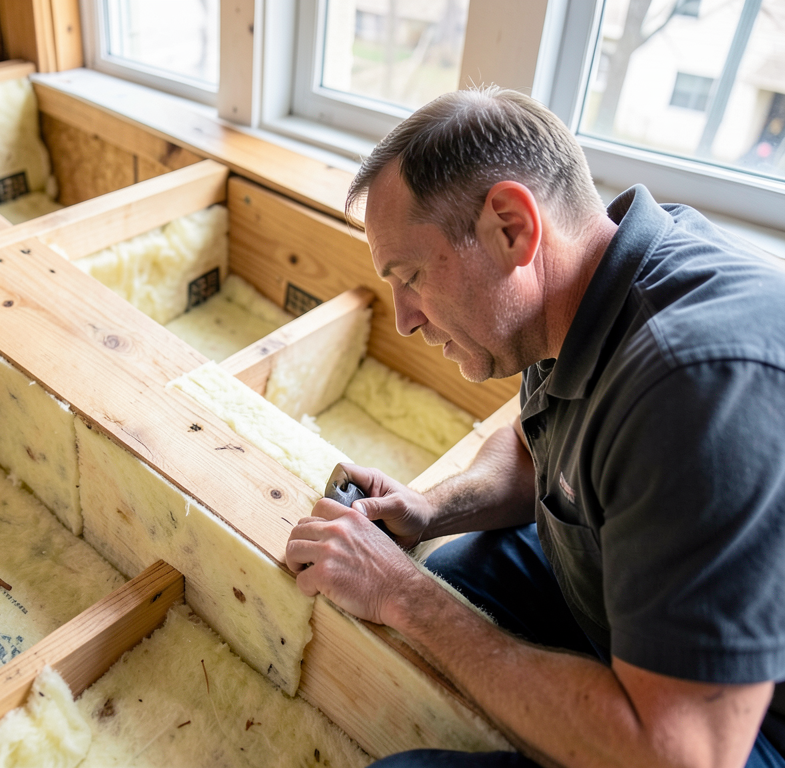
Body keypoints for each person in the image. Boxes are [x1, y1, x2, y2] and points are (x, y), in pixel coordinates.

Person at [285, 87, 785, 768]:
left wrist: (405, 597)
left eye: (410, 277)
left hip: (734, 733)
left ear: (512, 228)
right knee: (458, 565)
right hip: (628, 608)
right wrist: (432, 508)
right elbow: (533, 440)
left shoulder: (693, 389)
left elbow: (681, 754)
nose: (403, 318)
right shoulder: (588, 280)